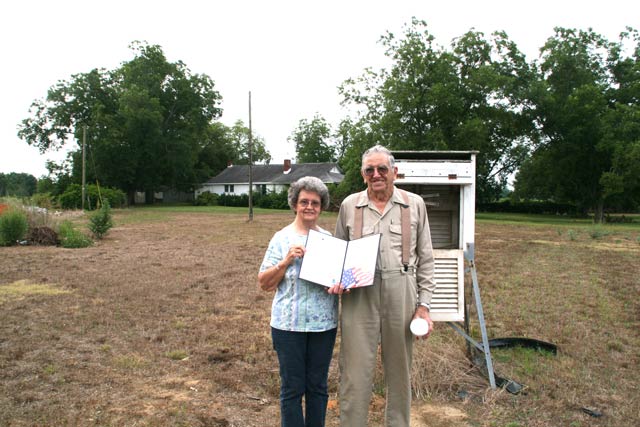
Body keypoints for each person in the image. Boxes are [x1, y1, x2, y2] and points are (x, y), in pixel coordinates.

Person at [328, 145, 435, 427]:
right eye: (369, 170)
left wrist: (423, 307)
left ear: (394, 172)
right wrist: (337, 279)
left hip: (401, 288)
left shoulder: (415, 204)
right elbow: (338, 255)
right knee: (354, 370)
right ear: (363, 175)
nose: (376, 175)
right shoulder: (350, 205)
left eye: (382, 169)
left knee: (400, 370)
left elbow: (426, 259)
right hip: (359, 293)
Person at [258, 176, 339, 427]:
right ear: (294, 204)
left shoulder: (328, 240)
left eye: (315, 202)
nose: (309, 207)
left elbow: (336, 279)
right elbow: (264, 282)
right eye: (304, 201)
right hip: (287, 327)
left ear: (321, 206)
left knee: (318, 387)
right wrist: (285, 262)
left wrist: (337, 285)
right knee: (292, 389)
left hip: (322, 326)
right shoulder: (281, 238)